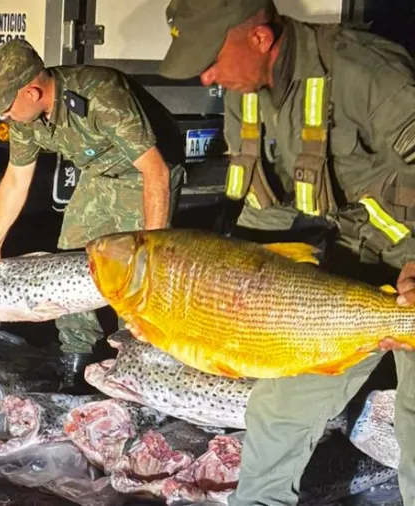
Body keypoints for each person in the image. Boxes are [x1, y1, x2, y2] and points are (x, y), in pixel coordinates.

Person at [157, 0, 415, 504]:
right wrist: (241, 284)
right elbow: (266, 207)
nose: (207, 76)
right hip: (351, 264)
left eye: (211, 58)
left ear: (259, 38)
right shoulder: (245, 93)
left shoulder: (366, 72)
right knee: (278, 410)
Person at [0, 38, 186, 392]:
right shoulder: (26, 119)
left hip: (146, 174)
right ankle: (76, 358)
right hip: (99, 175)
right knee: (70, 259)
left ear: (32, 91)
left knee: (132, 270)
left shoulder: (102, 95)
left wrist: (151, 250)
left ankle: (139, 369)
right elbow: (15, 179)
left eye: (6, 106)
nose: (3, 116)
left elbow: (156, 172)